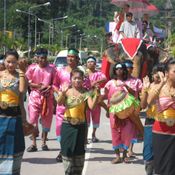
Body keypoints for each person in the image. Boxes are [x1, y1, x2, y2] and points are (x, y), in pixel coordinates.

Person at [57, 69, 99, 175]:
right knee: (67, 151)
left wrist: (97, 95)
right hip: (68, 125)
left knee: (79, 152)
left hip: (81, 126)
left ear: (83, 80)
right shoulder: (67, 91)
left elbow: (92, 107)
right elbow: (59, 102)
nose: (77, 81)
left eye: (79, 78)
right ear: (71, 79)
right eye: (75, 78)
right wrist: (62, 93)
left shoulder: (85, 92)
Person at [53, 48, 90, 162]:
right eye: (68, 56)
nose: (70, 58)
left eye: (72, 57)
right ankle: (62, 150)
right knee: (61, 127)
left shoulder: (82, 73)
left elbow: (87, 88)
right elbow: (54, 85)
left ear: (77, 59)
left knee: (78, 127)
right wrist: (60, 93)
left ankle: (76, 149)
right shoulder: (60, 71)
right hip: (63, 105)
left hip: (78, 105)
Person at [104, 62, 141, 164]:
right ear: (114, 71)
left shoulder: (130, 82)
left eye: (121, 69)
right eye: (117, 69)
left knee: (127, 132)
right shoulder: (110, 83)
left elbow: (134, 94)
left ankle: (124, 155)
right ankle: (117, 156)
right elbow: (107, 97)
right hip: (114, 112)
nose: (119, 70)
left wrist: (127, 87)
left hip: (127, 112)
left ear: (124, 70)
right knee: (115, 132)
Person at [0, 49, 27, 174]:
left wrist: (22, 71)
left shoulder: (20, 76)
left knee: (14, 148)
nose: (10, 65)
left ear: (17, 63)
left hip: (14, 119)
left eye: (13, 62)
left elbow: (21, 91)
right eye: (8, 62)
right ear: (4, 61)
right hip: (0, 118)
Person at [147, 59, 175, 175]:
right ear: (167, 73)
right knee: (161, 167)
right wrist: (162, 83)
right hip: (161, 132)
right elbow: (149, 101)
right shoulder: (159, 87)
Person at [26, 48, 56, 152]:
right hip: (35, 96)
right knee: (33, 119)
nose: (42, 60)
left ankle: (43, 142)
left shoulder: (52, 68)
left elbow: (55, 83)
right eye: (40, 58)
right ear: (36, 58)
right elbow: (27, 82)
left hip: (48, 96)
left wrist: (49, 87)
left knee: (46, 120)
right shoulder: (31, 68)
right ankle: (33, 143)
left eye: (44, 57)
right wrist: (37, 86)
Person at [141, 64, 165, 175]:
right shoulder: (148, 86)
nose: (157, 75)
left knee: (161, 151)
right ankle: (149, 171)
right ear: (152, 74)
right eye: (155, 72)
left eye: (160, 72)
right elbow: (143, 105)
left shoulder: (168, 87)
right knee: (148, 150)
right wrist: (145, 90)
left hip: (163, 121)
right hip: (150, 121)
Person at [85, 56, 107, 142]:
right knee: (86, 117)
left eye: (92, 62)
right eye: (89, 62)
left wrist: (96, 82)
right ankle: (85, 136)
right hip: (86, 97)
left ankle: (93, 134)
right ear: (86, 64)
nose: (90, 63)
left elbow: (104, 78)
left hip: (96, 98)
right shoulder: (84, 74)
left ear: (95, 63)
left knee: (96, 116)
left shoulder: (98, 73)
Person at [124, 60, 143, 157]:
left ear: (132, 69)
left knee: (133, 128)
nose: (128, 70)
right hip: (121, 108)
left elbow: (141, 93)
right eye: (126, 68)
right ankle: (123, 150)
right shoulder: (118, 81)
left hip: (133, 107)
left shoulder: (137, 81)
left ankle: (130, 149)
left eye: (130, 68)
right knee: (122, 128)